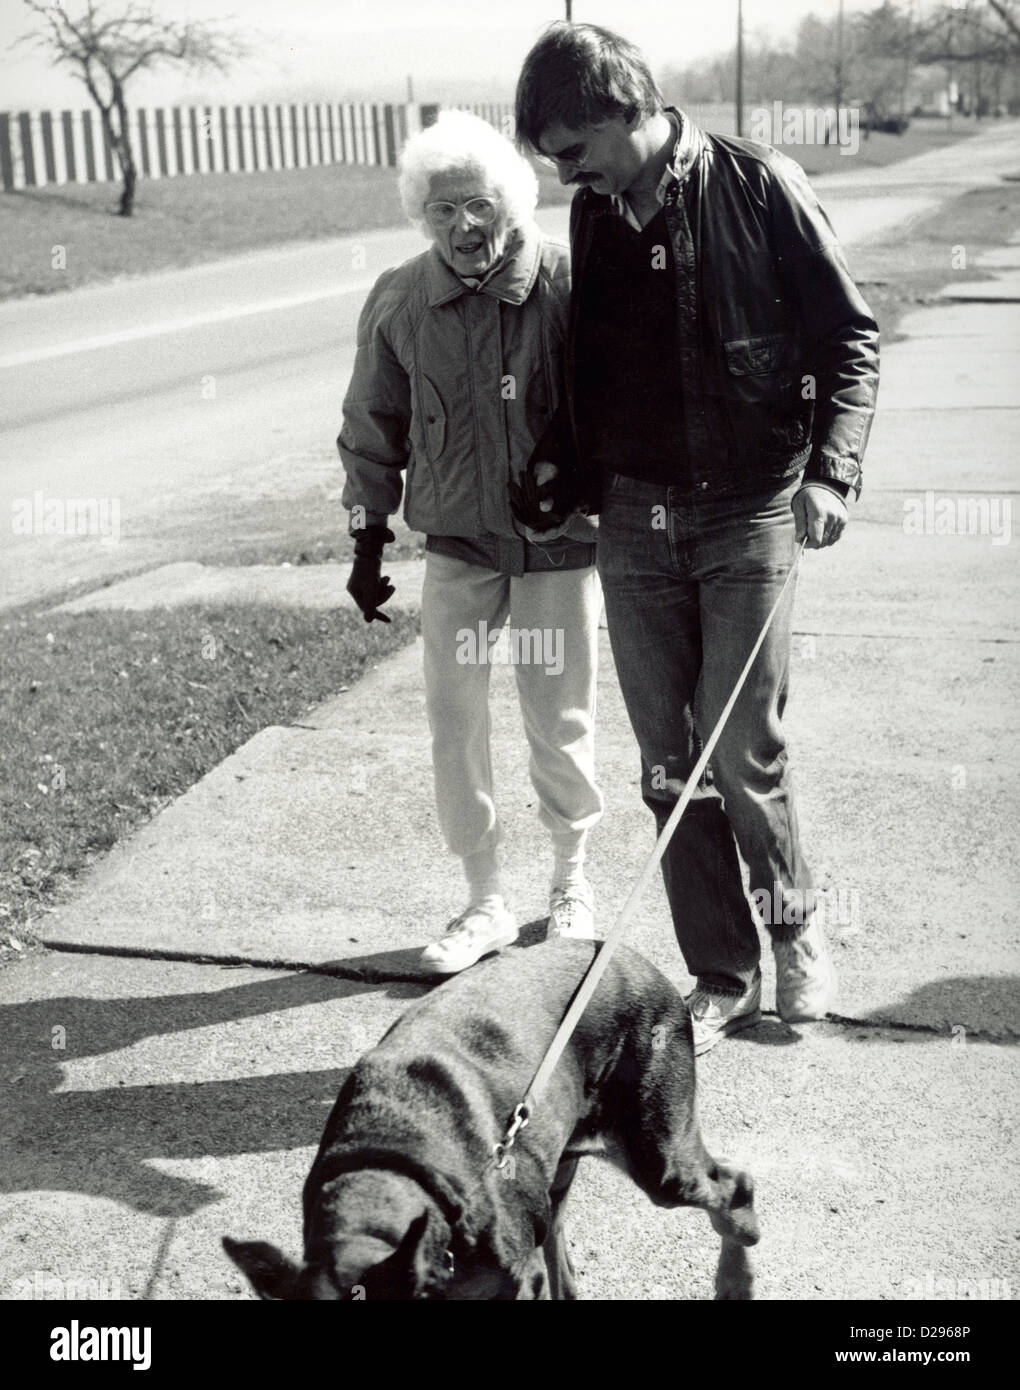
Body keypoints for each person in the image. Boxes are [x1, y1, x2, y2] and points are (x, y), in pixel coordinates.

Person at [512, 23, 880, 1052]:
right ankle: (721, 971)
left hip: (751, 508)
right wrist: (566, 465)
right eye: (552, 155)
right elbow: (597, 363)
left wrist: (831, 472)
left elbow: (849, 337)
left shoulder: (760, 185)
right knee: (671, 760)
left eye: (573, 145)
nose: (563, 170)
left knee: (742, 749)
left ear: (629, 106)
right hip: (636, 517)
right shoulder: (595, 214)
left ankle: (799, 935)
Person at [338, 110, 603, 975]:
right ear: (423, 216)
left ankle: (571, 884)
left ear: (513, 205)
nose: (463, 226)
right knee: (453, 719)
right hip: (459, 544)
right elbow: (370, 427)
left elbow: (622, 402)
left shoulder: (566, 279)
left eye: (480, 205)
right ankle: (485, 899)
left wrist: (586, 470)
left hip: (556, 543)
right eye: (443, 209)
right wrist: (368, 542)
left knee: (557, 719)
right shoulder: (400, 297)